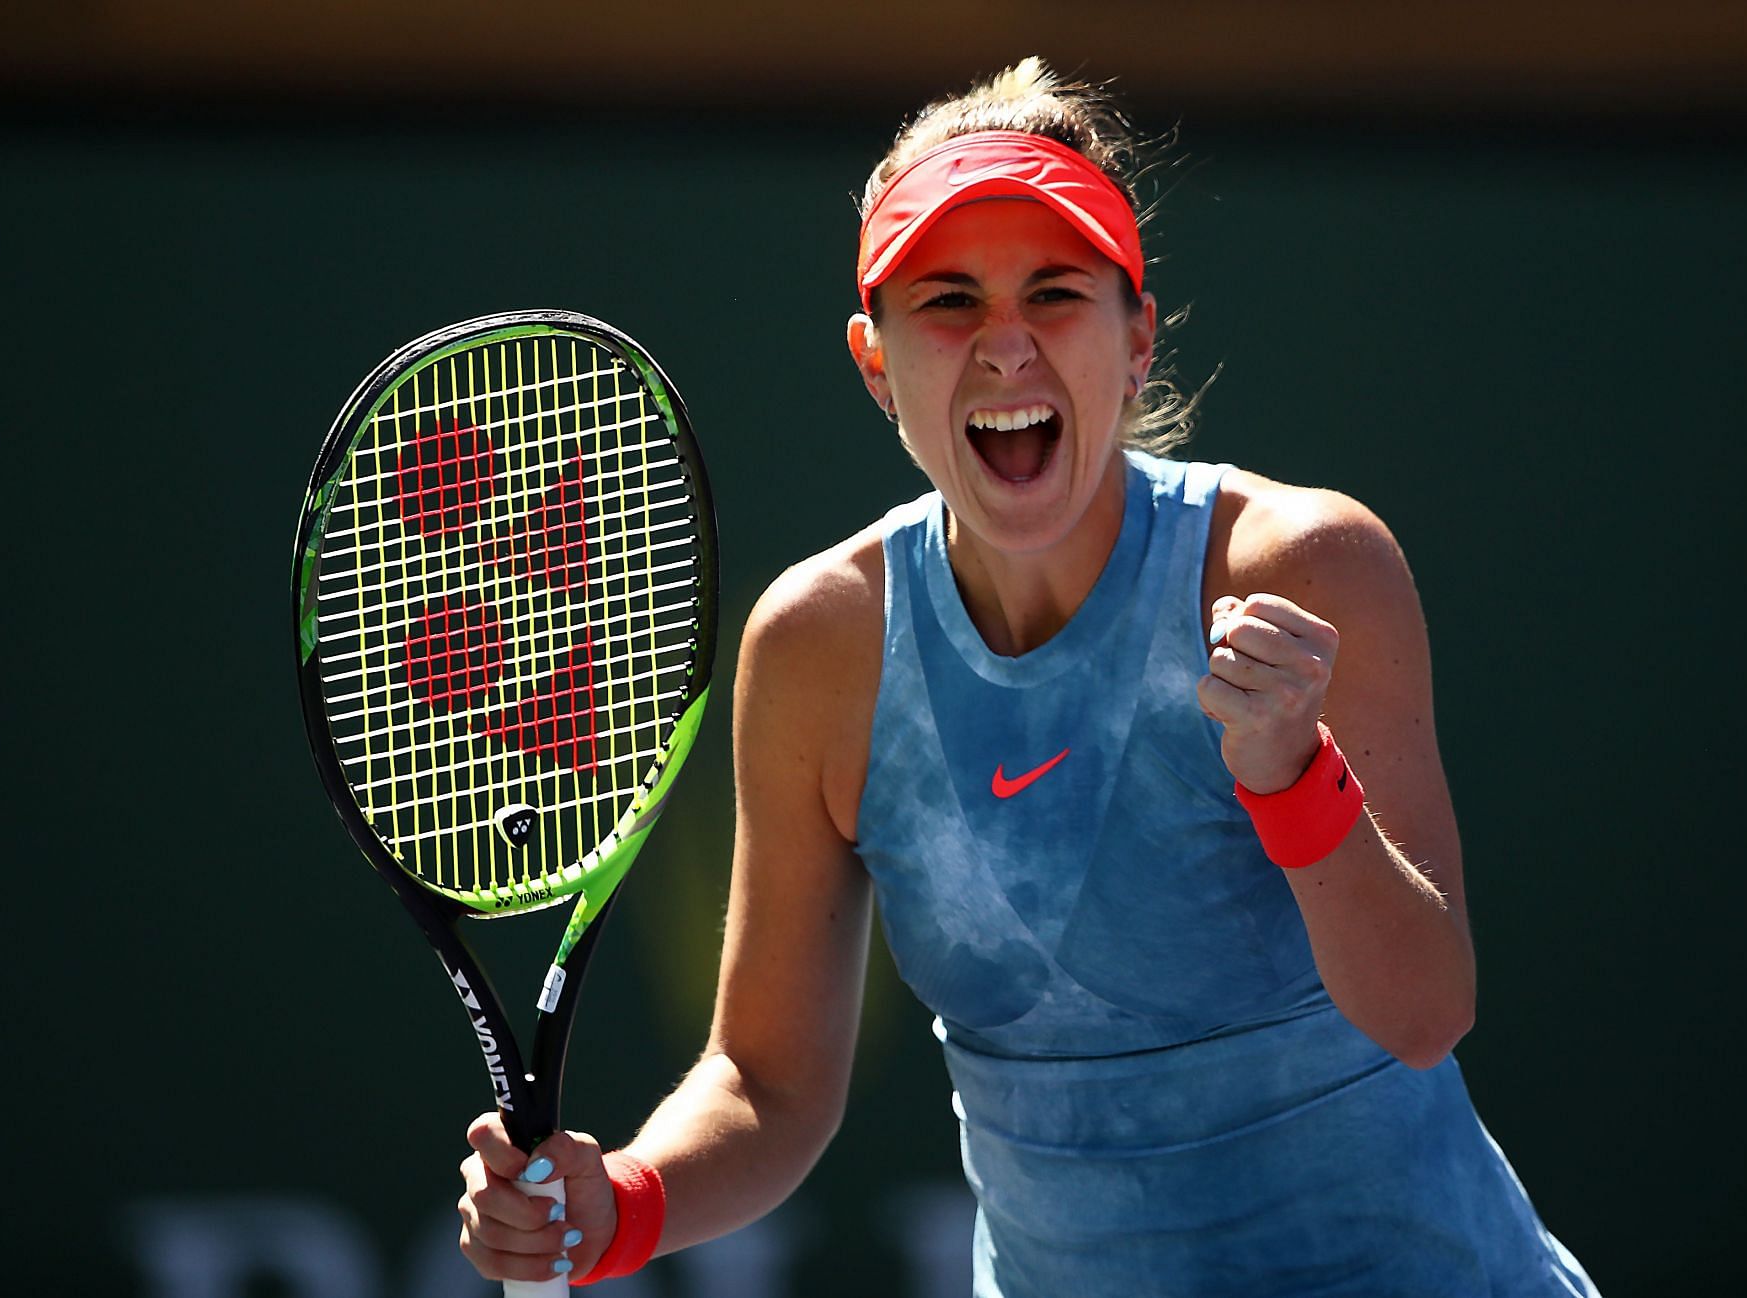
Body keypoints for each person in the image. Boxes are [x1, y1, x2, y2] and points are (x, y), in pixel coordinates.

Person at [457, 58, 1598, 1296]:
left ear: (1136, 339)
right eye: (949, 302)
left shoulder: (1303, 564)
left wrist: (1293, 776)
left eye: (1054, 294)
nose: (1005, 346)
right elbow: (769, 1083)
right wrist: (618, 1204)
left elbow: (1426, 1009)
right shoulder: (821, 646)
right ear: (876, 363)